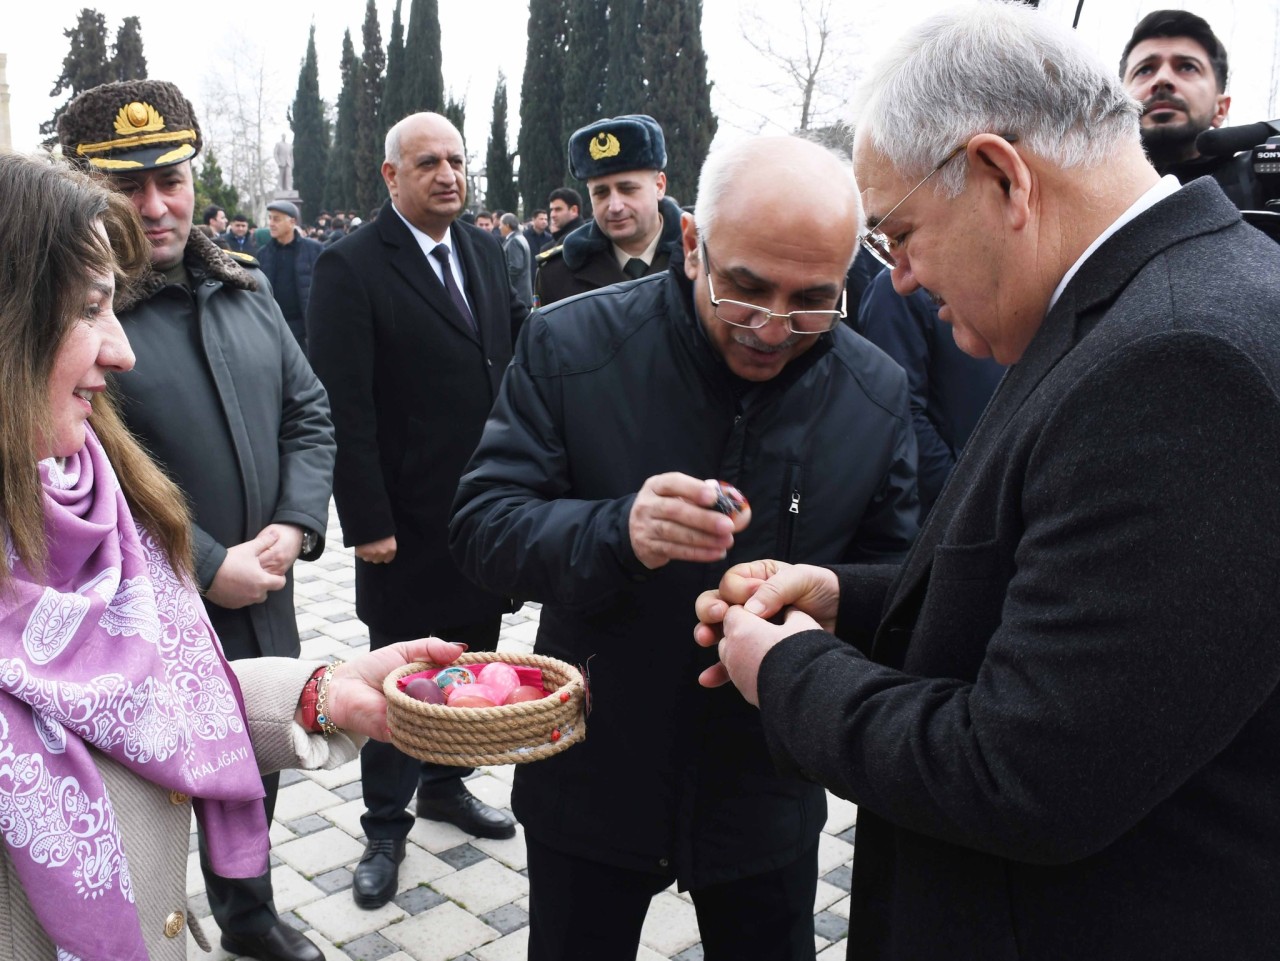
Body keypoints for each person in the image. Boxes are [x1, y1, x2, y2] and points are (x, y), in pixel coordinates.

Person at [695, 4, 1280, 958]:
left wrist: (788, 667)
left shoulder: (1181, 357)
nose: (907, 282)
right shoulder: (1139, 309)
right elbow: (1056, 583)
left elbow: (1028, 770)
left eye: (902, 236)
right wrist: (852, 599)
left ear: (1002, 176)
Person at [449, 134, 918, 961]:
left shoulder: (875, 389)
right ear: (693, 242)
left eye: (812, 300)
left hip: (766, 782)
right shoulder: (570, 345)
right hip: (594, 772)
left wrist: (824, 593)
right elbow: (482, 528)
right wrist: (616, 530)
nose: (773, 329)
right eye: (745, 290)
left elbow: (901, 580)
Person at [0, 149, 471, 961]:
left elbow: (146, 687)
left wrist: (327, 694)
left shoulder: (88, 487)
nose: (122, 352)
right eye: (87, 309)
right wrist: (214, 562)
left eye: (171, 180)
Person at [58, 79, 336, 961]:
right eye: (126, 186)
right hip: (154, 601)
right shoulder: (78, 322)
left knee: (261, 754)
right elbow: (90, 469)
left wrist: (293, 525)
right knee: (161, 786)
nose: (155, 205)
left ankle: (248, 916)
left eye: (170, 179)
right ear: (85, 190)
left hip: (266, 587)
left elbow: (309, 412)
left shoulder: (245, 288)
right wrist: (211, 561)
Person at [306, 111, 530, 912]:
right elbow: (345, 406)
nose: (448, 174)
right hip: (400, 522)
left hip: (482, 514)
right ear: (390, 176)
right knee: (402, 677)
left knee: (468, 658)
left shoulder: (483, 250)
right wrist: (365, 520)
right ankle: (384, 822)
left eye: (458, 161)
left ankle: (446, 785)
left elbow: (501, 371)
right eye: (428, 161)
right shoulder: (351, 265)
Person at [857, 270, 1003, 517]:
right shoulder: (899, 288)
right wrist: (960, 493)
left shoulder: (998, 274)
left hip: (1001, 488)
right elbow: (900, 411)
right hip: (951, 507)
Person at [535, 114, 684, 307]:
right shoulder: (556, 274)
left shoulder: (704, 258)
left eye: (628, 189)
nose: (615, 206)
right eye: (601, 193)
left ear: (659, 186)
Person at [1119, 9, 1263, 209]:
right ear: (1119, 103)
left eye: (1187, 67)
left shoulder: (1263, 182)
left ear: (1220, 109)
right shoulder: (1083, 191)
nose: (1162, 79)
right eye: (1144, 70)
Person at [257, 199, 324, 351]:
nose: (271, 223)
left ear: (292, 221)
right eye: (270, 218)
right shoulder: (264, 254)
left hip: (304, 329)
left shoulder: (314, 250)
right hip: (273, 327)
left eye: (277, 219)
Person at [499, 211, 534, 310]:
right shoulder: (520, 237)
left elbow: (515, 268)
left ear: (507, 225)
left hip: (518, 295)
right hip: (522, 294)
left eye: (501, 225)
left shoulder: (514, 241)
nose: (499, 227)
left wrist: (503, 284)